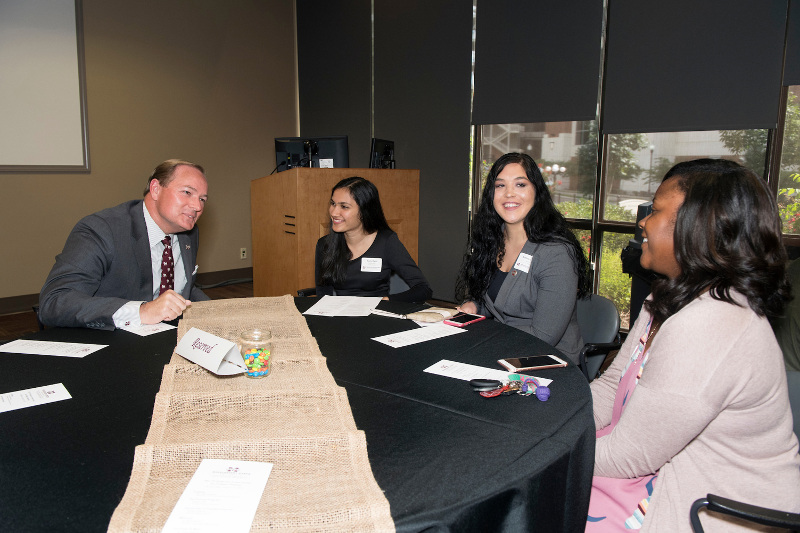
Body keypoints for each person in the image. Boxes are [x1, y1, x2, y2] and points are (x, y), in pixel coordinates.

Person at [587, 160, 800, 532]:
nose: (642, 223)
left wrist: (543, 444)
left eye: (655, 211)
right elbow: (612, 383)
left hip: (713, 510)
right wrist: (558, 420)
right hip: (659, 472)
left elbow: (627, 456)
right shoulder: (668, 296)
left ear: (696, 226)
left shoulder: (713, 322)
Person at [39, 159, 210, 329]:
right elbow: (55, 302)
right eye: (187, 192)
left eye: (202, 199)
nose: (197, 206)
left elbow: (182, 290)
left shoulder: (189, 234)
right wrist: (142, 311)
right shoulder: (102, 230)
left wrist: (225, 312)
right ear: (156, 189)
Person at [454, 152, 591, 364]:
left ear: (536, 191)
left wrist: (482, 336)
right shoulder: (491, 241)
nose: (509, 194)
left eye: (520, 185)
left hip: (548, 362)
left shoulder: (556, 252)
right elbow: (496, 301)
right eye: (500, 186)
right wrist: (474, 306)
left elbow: (544, 336)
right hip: (502, 349)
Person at [314, 176, 432, 303]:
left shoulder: (386, 242)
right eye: (333, 204)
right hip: (341, 316)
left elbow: (423, 289)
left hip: (377, 314)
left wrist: (386, 301)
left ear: (365, 211)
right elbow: (323, 292)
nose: (334, 212)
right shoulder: (325, 244)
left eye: (344, 206)